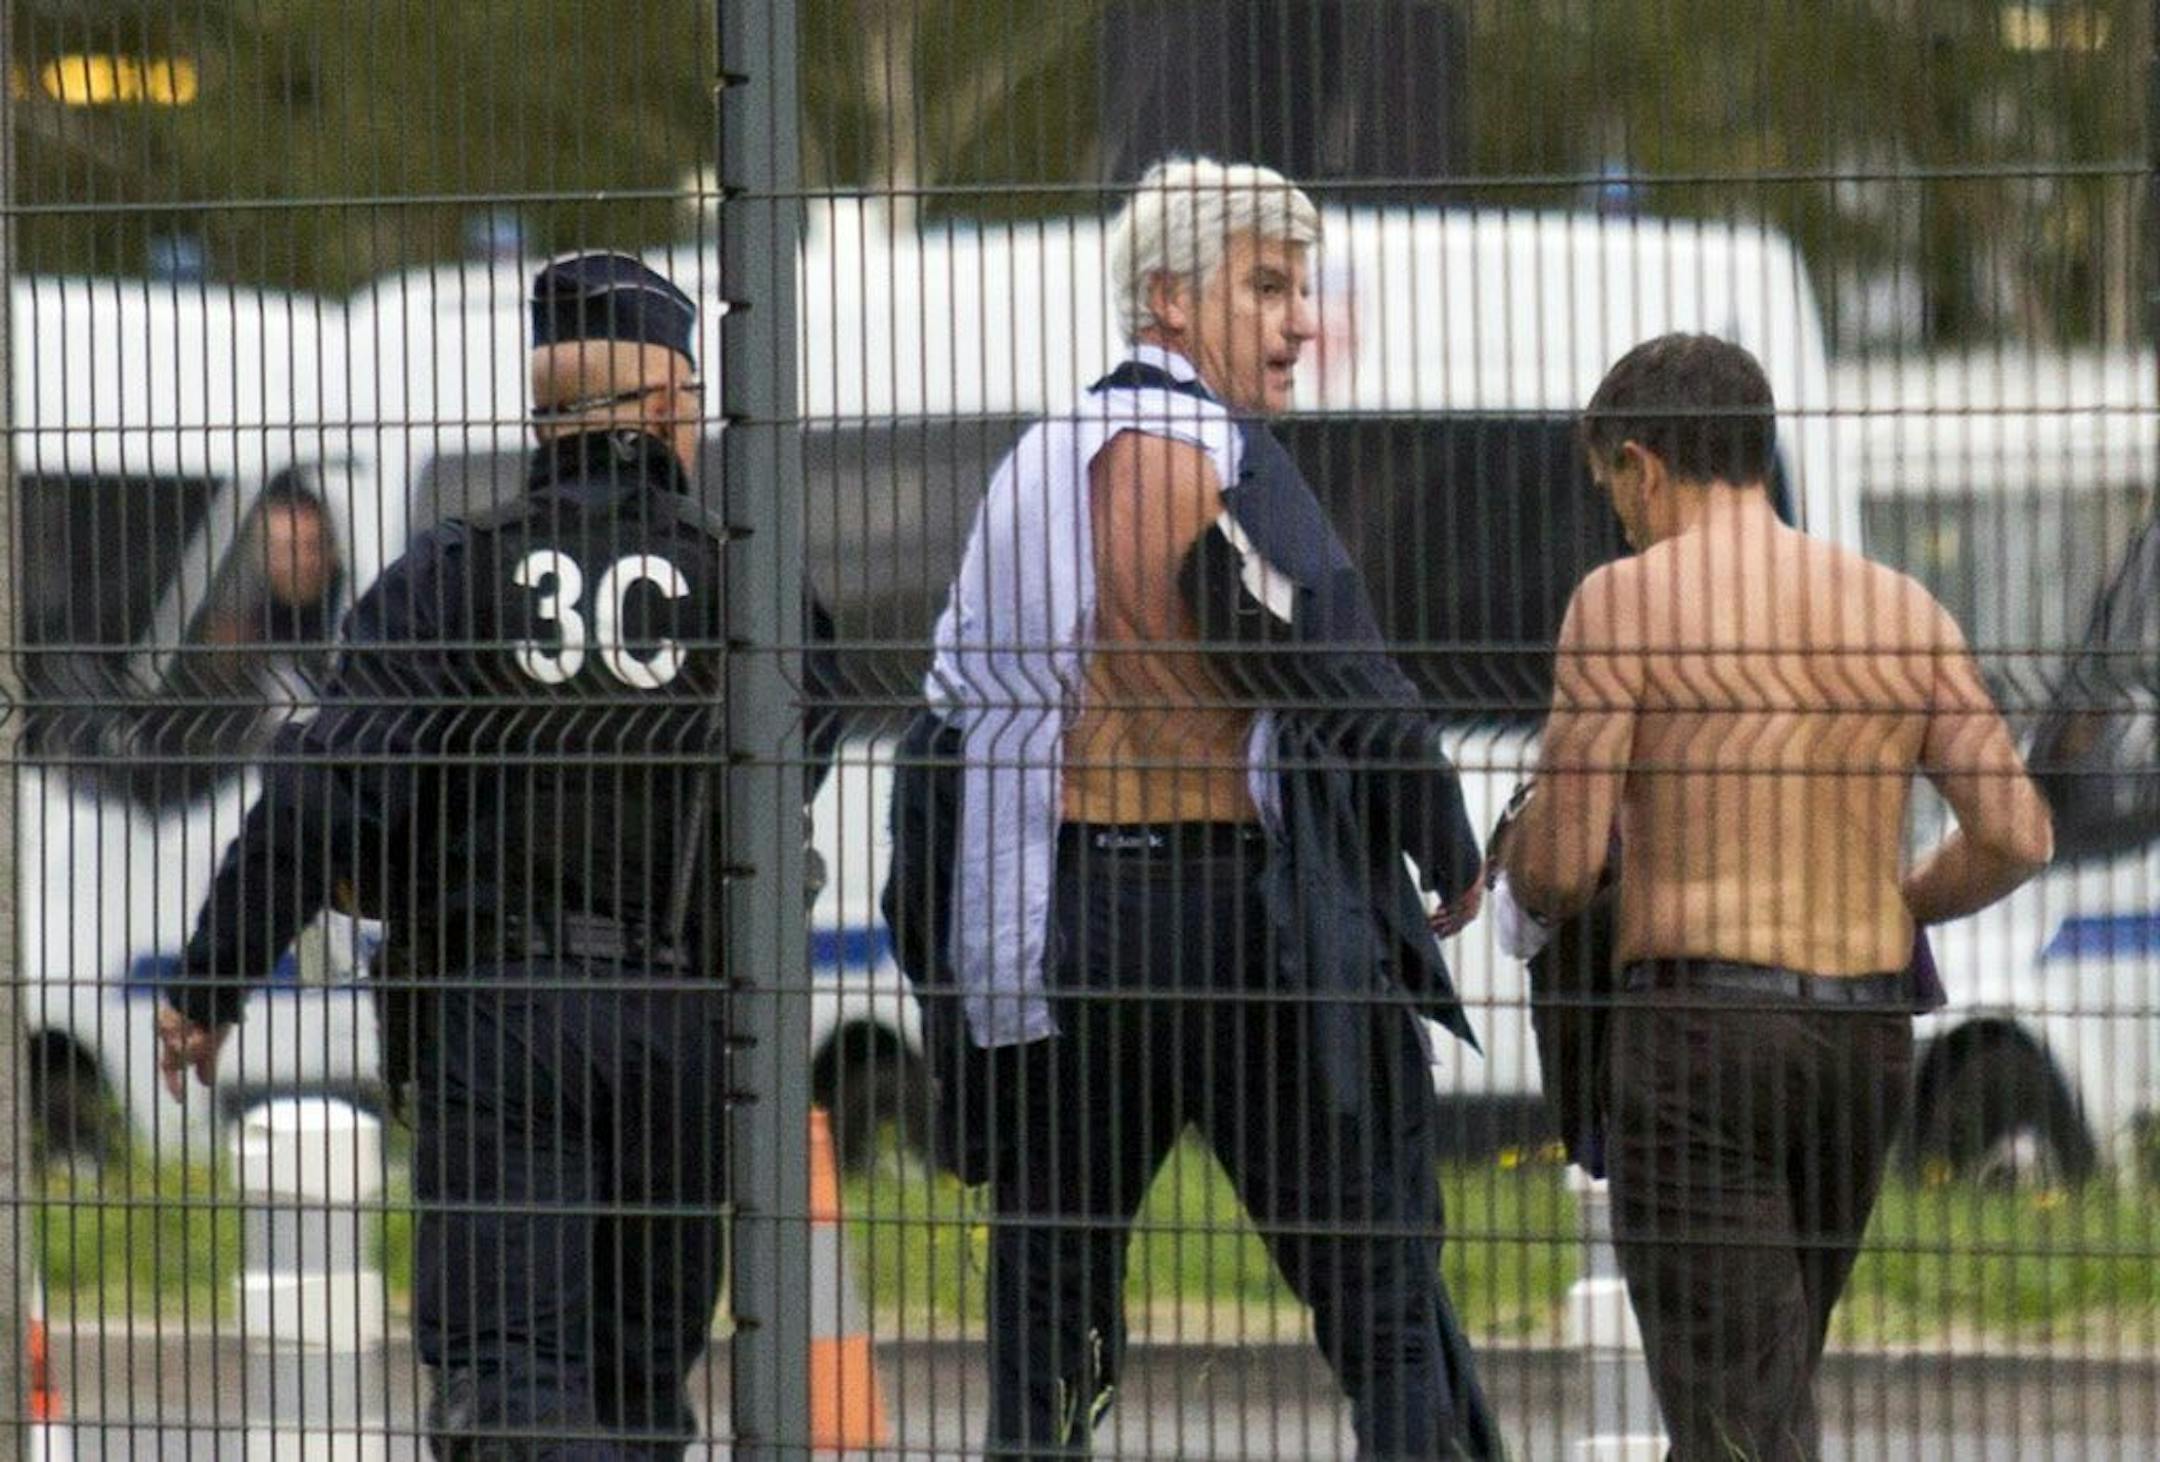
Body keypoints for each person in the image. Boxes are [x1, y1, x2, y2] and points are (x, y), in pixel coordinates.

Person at [157, 252, 828, 1461]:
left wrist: (212, 978)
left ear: (543, 416)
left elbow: (324, 796)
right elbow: (796, 767)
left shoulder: (451, 576)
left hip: (499, 1013)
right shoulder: (750, 581)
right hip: (683, 1023)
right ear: (664, 403)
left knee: (510, 1377)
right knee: (638, 1385)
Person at [884, 156, 1501, 1460]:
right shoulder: (1230, 463)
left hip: (1066, 932)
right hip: (1236, 928)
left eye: (1301, 289)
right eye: (1267, 287)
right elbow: (1344, 667)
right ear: (1169, 297)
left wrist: (945, 947)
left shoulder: (1031, 468)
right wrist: (1442, 842)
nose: (1300, 321)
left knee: (1049, 1294)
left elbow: (943, 726)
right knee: (1375, 1282)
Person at [1500, 333, 2055, 1460]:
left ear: (1644, 466)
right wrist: (1897, 901)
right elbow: (2015, 832)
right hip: (1863, 1043)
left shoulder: (1625, 603)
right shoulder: (1900, 609)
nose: (1621, 522)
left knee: (1737, 1417)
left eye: (1615, 493)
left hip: (1701, 1040)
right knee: (1754, 1380)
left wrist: (1518, 857)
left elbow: (1559, 868)